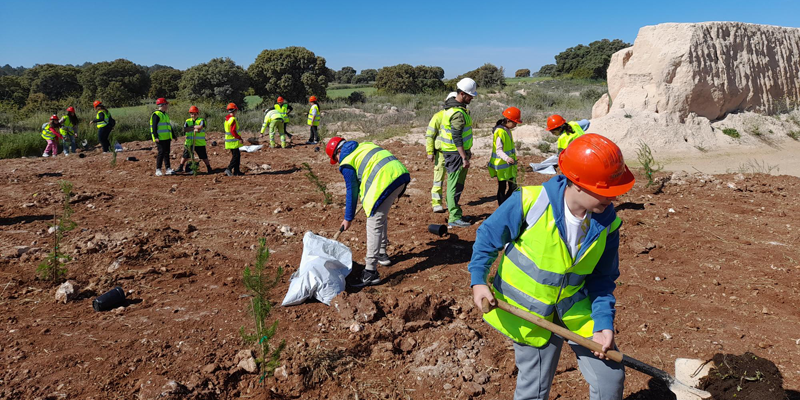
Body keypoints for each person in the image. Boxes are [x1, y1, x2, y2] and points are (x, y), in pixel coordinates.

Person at [469, 134, 635, 400]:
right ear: (578, 184)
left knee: (610, 378)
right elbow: (488, 237)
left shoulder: (608, 223)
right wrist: (478, 280)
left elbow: (603, 279)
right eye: (606, 191)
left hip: (574, 310)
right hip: (528, 314)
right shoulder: (531, 202)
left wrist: (603, 322)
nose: (613, 198)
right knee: (534, 389)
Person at [326, 136, 410, 287]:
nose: (337, 161)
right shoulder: (363, 146)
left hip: (386, 181)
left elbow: (352, 191)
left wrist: (348, 218)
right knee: (380, 216)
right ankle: (382, 253)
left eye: (335, 157)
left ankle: (370, 272)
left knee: (374, 222)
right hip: (400, 175)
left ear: (338, 151)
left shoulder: (347, 162)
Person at [440, 78, 477, 228]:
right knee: (454, 186)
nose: (472, 98)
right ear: (462, 94)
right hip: (456, 155)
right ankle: (454, 218)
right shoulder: (457, 113)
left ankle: (456, 213)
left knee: (457, 185)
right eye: (470, 96)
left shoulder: (453, 109)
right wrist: (463, 157)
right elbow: (456, 137)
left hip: (457, 153)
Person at [426, 92, 457, 213]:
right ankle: (437, 203)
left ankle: (451, 203)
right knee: (438, 179)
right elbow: (430, 135)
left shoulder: (458, 115)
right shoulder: (438, 116)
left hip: (455, 153)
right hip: (441, 153)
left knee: (452, 180)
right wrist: (430, 151)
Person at [488, 107, 522, 206]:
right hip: (502, 166)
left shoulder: (507, 129)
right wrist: (507, 158)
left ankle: (505, 205)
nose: (515, 125)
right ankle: (502, 208)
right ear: (508, 120)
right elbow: (498, 150)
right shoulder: (500, 132)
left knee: (513, 186)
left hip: (509, 166)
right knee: (502, 188)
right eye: (515, 123)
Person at [177, 106, 212, 174]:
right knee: (185, 155)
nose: (193, 115)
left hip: (199, 142)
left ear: (197, 113)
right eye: (192, 114)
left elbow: (200, 127)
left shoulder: (201, 120)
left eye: (194, 114)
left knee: (203, 156)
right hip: (189, 142)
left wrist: (192, 128)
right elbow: (185, 129)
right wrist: (194, 128)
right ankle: (180, 167)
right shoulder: (187, 121)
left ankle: (209, 168)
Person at [150, 98, 174, 176]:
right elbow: (154, 127)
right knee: (161, 153)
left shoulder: (165, 114)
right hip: (160, 138)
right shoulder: (156, 114)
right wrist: (156, 136)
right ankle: (158, 169)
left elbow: (169, 126)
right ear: (162, 105)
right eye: (166, 104)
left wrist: (173, 135)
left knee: (167, 153)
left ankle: (168, 168)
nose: (167, 106)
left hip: (167, 137)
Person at [224, 103, 244, 176]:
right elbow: (233, 131)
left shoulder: (227, 119)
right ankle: (229, 169)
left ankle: (236, 171)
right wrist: (239, 138)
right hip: (233, 141)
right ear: (235, 110)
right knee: (236, 156)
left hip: (229, 141)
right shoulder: (233, 119)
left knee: (237, 155)